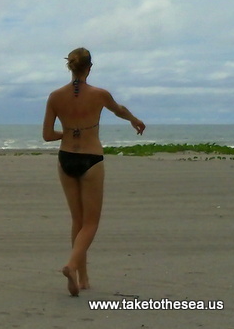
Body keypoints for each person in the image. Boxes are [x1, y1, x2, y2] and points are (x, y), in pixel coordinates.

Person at [42, 48, 145, 297]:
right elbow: (119, 109)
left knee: (77, 220)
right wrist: (134, 120)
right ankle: (71, 265)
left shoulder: (55, 96)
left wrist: (67, 134)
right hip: (91, 160)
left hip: (66, 159)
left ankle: (82, 278)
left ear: (70, 67)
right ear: (90, 67)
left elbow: (47, 135)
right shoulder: (100, 94)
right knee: (90, 223)